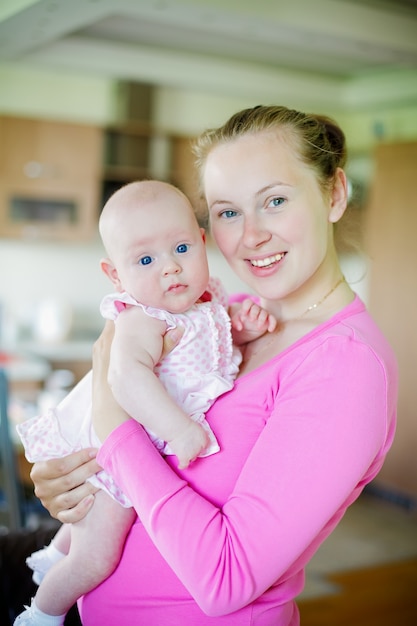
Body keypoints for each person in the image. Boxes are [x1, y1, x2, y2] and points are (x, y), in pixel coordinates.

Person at [29, 105, 398, 626]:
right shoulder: (226, 317)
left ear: (334, 194)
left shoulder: (345, 366)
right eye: (228, 212)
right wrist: (71, 482)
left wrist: (115, 427)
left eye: (274, 201)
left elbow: (226, 579)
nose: (251, 237)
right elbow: (144, 463)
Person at [14, 180, 277, 626]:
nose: (170, 269)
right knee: (94, 559)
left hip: (133, 454)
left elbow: (211, 350)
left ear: (201, 241)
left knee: (86, 537)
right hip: (112, 460)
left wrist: (242, 331)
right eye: (146, 260)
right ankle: (41, 613)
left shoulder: (204, 300)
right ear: (116, 275)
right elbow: (126, 378)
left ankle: (52, 554)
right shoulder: (142, 318)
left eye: (180, 248)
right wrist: (180, 430)